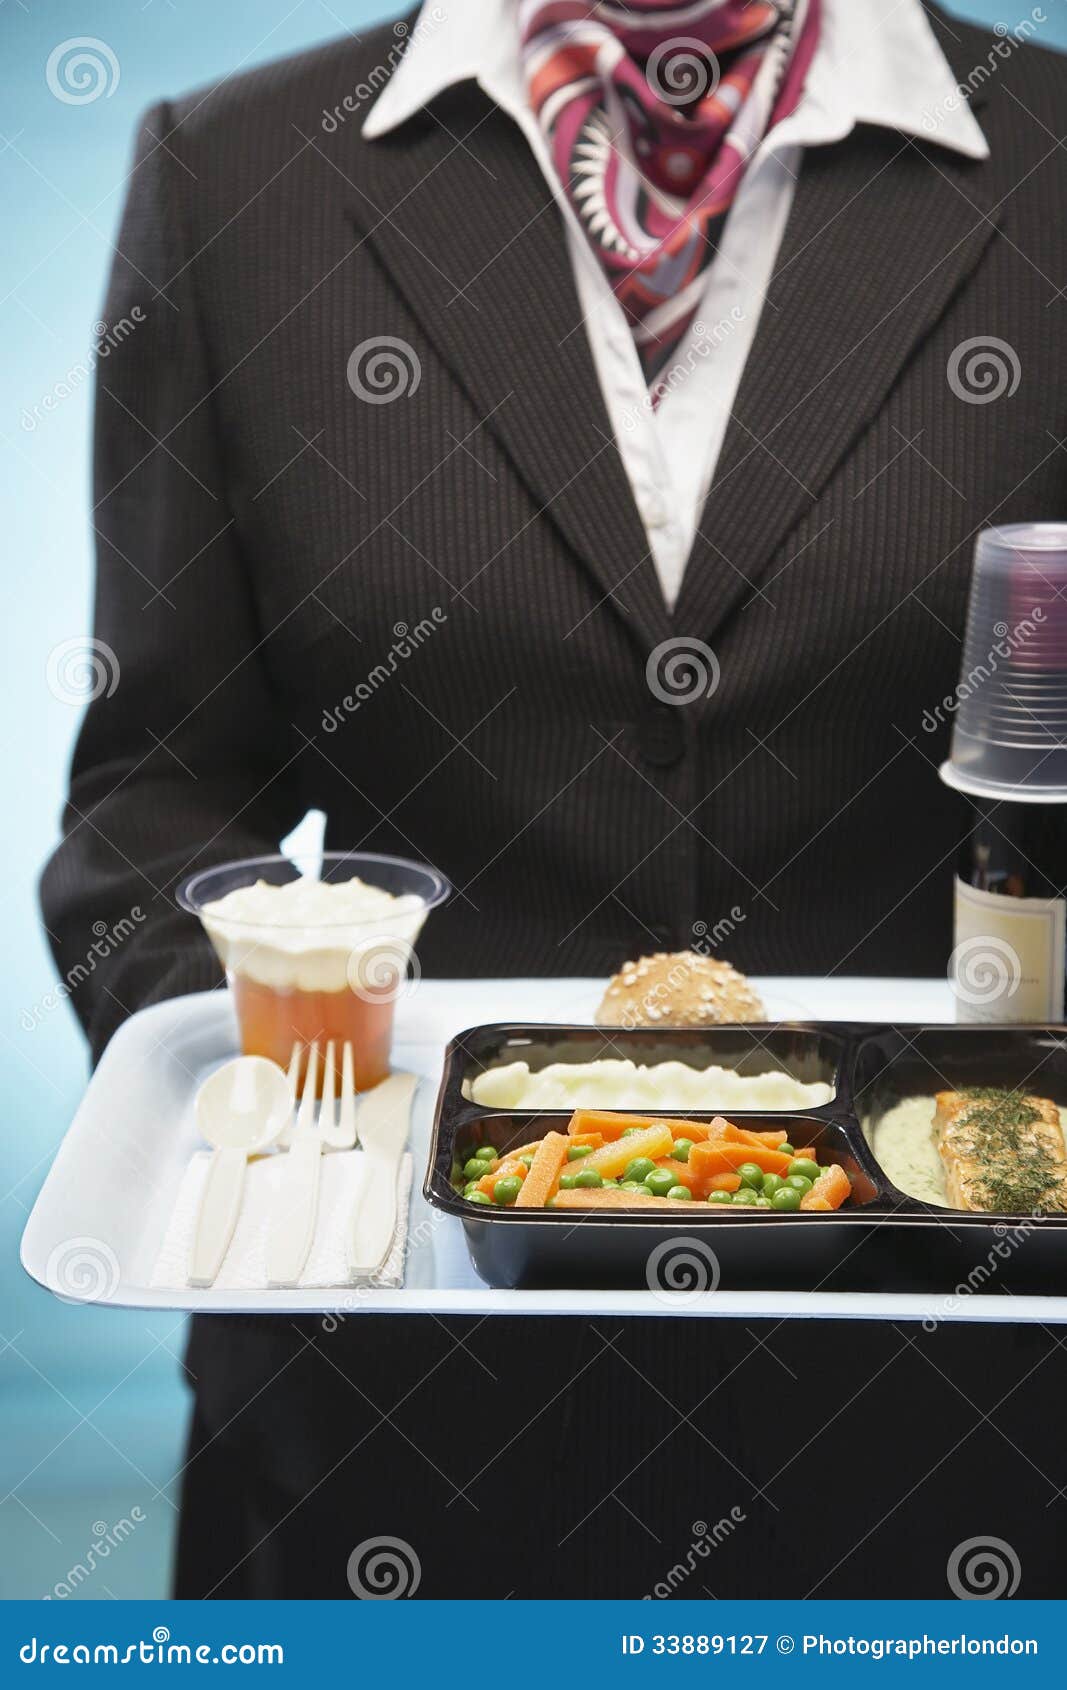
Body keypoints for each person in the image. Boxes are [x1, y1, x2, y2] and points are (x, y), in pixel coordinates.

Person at [42, 0, 1067, 1597]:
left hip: (957, 1438)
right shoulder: (232, 177)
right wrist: (300, 1132)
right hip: (383, 1435)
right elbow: (152, 800)